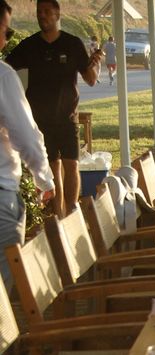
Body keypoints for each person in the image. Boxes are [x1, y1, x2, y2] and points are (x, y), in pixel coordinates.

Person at [5, 0, 101, 218]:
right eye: (39, 12)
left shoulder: (72, 44)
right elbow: (6, 67)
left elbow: (90, 79)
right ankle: (59, 216)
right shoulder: (29, 46)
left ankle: (72, 212)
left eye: (47, 12)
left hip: (67, 117)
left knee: (71, 165)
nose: (42, 16)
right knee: (53, 168)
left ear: (58, 14)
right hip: (39, 120)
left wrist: (96, 63)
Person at [0, 0, 55, 291]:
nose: (6, 39)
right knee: (2, 306)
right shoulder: (3, 76)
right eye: (6, 32)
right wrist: (44, 178)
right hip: (1, 199)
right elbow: (26, 136)